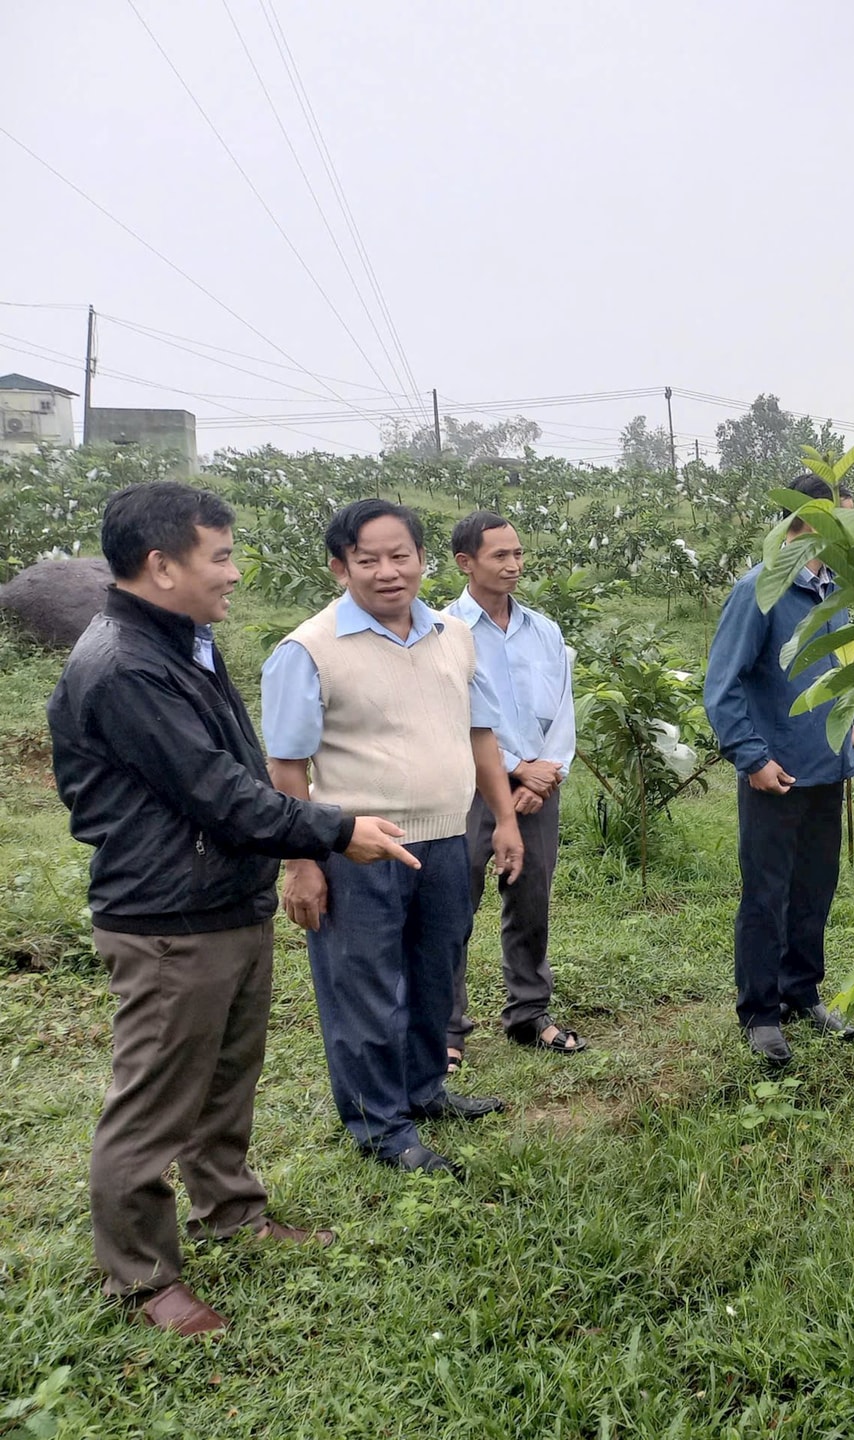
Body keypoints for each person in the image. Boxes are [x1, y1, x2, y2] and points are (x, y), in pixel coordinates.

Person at [48, 482, 422, 1335]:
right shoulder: (126, 666)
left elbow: (241, 766)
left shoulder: (183, 639)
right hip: (167, 916)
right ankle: (141, 1279)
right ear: (161, 564)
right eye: (219, 556)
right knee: (152, 1103)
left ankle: (232, 1212)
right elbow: (219, 794)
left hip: (222, 898)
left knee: (225, 1080)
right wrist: (334, 832)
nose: (233, 572)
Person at [262, 499, 525, 1177]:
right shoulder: (309, 649)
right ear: (338, 567)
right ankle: (379, 1126)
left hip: (445, 838)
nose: (388, 572)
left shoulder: (452, 634)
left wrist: (503, 818)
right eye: (368, 559)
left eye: (400, 555)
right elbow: (287, 766)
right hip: (356, 847)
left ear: (422, 559)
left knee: (437, 973)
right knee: (365, 990)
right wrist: (303, 860)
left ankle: (423, 1091)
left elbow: (481, 735)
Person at [704, 474, 854, 1065]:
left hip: (827, 769)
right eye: (841, 520)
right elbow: (723, 684)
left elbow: (844, 672)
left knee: (814, 889)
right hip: (777, 773)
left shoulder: (836, 591)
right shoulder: (759, 590)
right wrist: (752, 756)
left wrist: (851, 729)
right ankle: (761, 1012)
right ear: (806, 522)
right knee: (766, 894)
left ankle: (803, 992)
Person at [444, 510, 585, 1070]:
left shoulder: (544, 630)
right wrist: (512, 769)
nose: (513, 565)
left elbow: (563, 709)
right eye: (500, 555)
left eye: (518, 553)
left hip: (538, 793)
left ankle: (528, 1013)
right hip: (468, 789)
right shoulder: (444, 631)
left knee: (530, 902)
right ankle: (447, 1028)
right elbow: (453, 714)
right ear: (465, 562)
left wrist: (547, 771)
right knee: (454, 904)